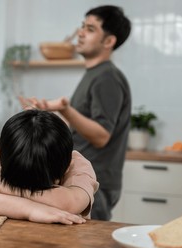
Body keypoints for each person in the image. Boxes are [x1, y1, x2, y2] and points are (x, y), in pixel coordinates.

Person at [19, 5, 132, 220]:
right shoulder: (95, 74)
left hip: (93, 181)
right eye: (82, 26)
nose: (80, 33)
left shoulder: (106, 77)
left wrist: (65, 110)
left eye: (90, 29)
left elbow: (101, 135)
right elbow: (85, 129)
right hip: (84, 178)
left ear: (109, 41)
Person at [0, 109, 99, 224]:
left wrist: (6, 187)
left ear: (68, 166)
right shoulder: (13, 155)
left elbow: (71, 202)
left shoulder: (78, 164)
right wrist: (31, 210)